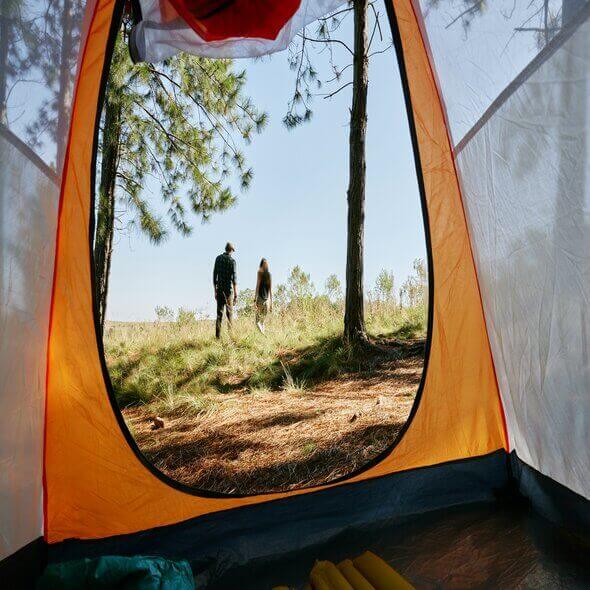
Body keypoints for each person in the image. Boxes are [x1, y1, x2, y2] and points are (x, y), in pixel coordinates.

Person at [213, 242, 238, 339]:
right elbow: (234, 279)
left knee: (219, 314)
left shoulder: (218, 258)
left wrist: (215, 290)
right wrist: (236, 294)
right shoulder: (232, 261)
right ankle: (231, 336)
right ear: (231, 250)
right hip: (228, 292)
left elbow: (214, 275)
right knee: (229, 315)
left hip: (219, 290)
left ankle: (217, 338)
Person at [254, 258, 272, 333]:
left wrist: (254, 300)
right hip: (267, 300)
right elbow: (270, 289)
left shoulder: (260, 272)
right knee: (262, 322)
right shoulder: (269, 274)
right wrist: (271, 303)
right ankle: (263, 335)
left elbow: (257, 286)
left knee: (257, 322)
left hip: (261, 299)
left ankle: (262, 334)